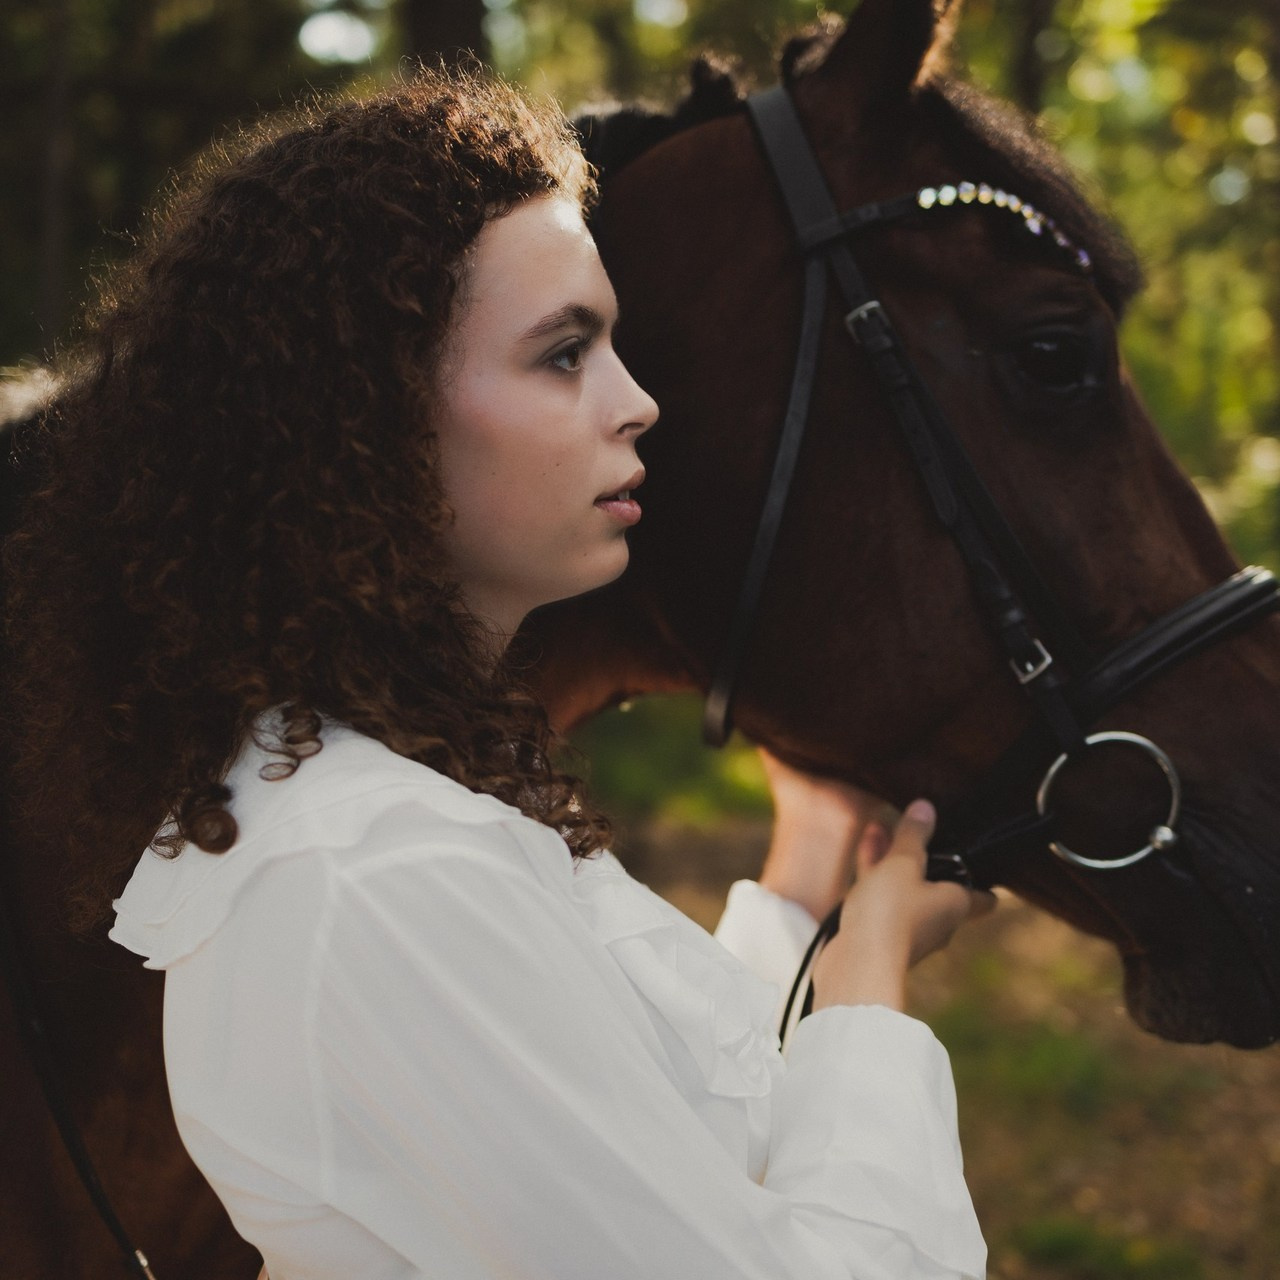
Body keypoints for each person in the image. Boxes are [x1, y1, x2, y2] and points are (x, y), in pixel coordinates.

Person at [6, 68, 994, 1278]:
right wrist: (867, 979)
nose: (636, 404)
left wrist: (796, 892)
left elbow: (605, 1140)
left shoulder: (396, 797)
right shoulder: (372, 869)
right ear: (362, 420)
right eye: (562, 353)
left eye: (610, 344)